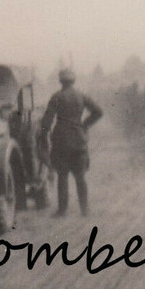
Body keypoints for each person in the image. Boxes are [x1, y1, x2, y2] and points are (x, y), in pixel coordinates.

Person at [41, 68, 103, 217]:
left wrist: (43, 135)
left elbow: (47, 121)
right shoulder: (82, 95)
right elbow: (98, 112)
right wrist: (84, 125)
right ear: (73, 80)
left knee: (62, 177)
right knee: (80, 176)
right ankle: (85, 209)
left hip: (61, 140)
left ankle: (62, 210)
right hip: (78, 140)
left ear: (61, 81)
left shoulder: (56, 96)